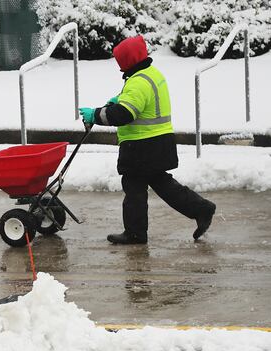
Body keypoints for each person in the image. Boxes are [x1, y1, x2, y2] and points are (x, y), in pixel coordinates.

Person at [78, 35, 216, 245]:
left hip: (141, 146)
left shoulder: (138, 82)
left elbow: (124, 114)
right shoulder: (151, 74)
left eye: (121, 63)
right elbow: (137, 104)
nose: (120, 68)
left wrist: (95, 114)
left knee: (134, 187)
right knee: (162, 183)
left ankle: (135, 233)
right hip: (157, 143)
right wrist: (118, 100)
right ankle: (201, 208)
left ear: (128, 61)